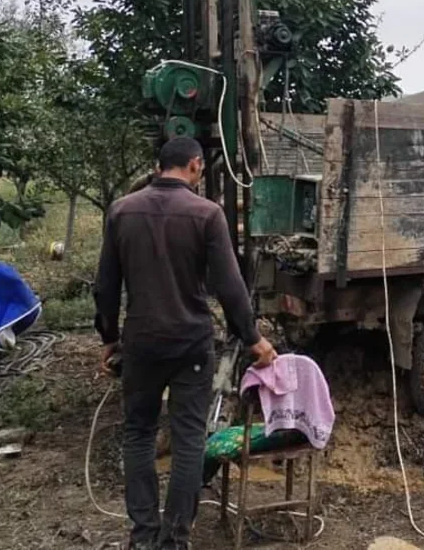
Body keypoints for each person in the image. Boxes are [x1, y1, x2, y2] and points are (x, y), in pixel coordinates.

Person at [94, 136, 276, 550]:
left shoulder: (121, 211)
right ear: (195, 165)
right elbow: (230, 287)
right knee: (190, 438)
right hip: (190, 344)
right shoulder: (207, 214)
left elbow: (106, 286)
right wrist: (253, 339)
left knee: (139, 434)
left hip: (141, 343)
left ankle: (143, 536)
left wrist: (109, 338)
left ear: (159, 165)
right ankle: (175, 538)